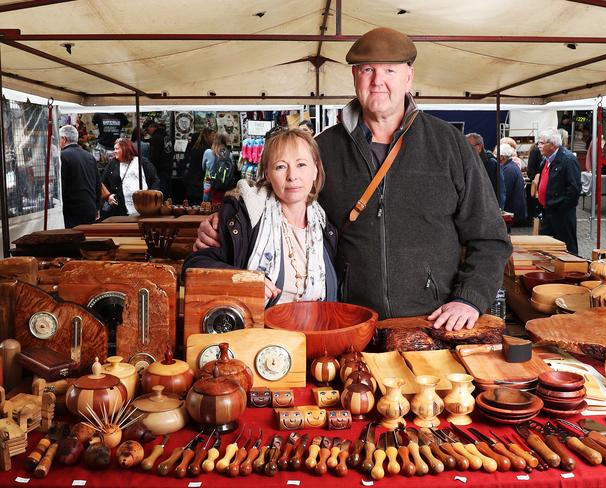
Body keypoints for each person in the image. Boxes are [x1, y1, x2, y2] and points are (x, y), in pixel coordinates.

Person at [194, 27, 511, 331]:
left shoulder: (448, 144)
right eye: (367, 70)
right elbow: (277, 193)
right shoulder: (325, 149)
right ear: (354, 76)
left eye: (390, 70)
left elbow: (491, 237)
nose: (378, 81)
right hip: (348, 322)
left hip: (432, 322)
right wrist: (225, 220)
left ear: (409, 76)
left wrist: (470, 299)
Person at [184, 129, 337, 305]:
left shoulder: (326, 226)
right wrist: (243, 281)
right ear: (267, 174)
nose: (292, 176)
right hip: (259, 331)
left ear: (316, 170)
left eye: (301, 164)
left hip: (317, 330)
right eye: (281, 166)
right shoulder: (244, 217)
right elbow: (193, 267)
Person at [536, 128, 581, 254]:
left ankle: (571, 272)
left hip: (561, 213)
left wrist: (562, 206)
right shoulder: (546, 160)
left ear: (553, 144)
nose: (539, 146)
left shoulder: (568, 160)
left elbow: (574, 188)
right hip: (548, 210)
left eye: (542, 143)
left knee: (567, 247)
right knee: (547, 248)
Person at [101, 138, 160, 217]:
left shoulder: (142, 162)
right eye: (114, 149)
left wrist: (152, 197)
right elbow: (102, 183)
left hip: (144, 206)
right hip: (121, 209)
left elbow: (154, 180)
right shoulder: (112, 164)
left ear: (125, 149)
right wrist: (108, 196)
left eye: (117, 149)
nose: (114, 151)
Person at [59, 124, 101, 228]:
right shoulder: (89, 156)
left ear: (64, 139)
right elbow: (97, 184)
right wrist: (96, 207)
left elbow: (62, 186)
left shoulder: (62, 156)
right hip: (90, 208)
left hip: (72, 210)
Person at [466, 132, 505, 207]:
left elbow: (499, 190)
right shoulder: (471, 162)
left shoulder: (491, 164)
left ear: (479, 147)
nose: (465, 149)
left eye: (468, 146)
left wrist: (498, 210)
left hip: (488, 209)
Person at [202, 132, 238, 205]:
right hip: (225, 187)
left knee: (207, 209)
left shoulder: (208, 152)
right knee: (222, 209)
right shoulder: (229, 155)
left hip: (209, 186)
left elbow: (203, 168)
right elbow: (233, 170)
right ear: (225, 141)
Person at [183, 128, 215, 205]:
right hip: (200, 186)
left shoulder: (195, 149)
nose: (214, 138)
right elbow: (209, 171)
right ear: (207, 136)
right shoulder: (208, 151)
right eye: (213, 135)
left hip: (191, 184)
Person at [498, 143, 527, 225]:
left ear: (502, 157)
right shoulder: (511, 166)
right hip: (515, 210)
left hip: (513, 212)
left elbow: (505, 192)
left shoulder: (508, 169)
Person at [144, 119, 174, 199]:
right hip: (168, 168)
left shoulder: (156, 138)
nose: (148, 133)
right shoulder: (166, 136)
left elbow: (154, 156)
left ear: (151, 127)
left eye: (147, 130)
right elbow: (170, 151)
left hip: (159, 170)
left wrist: (152, 169)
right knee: (167, 194)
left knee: (160, 195)